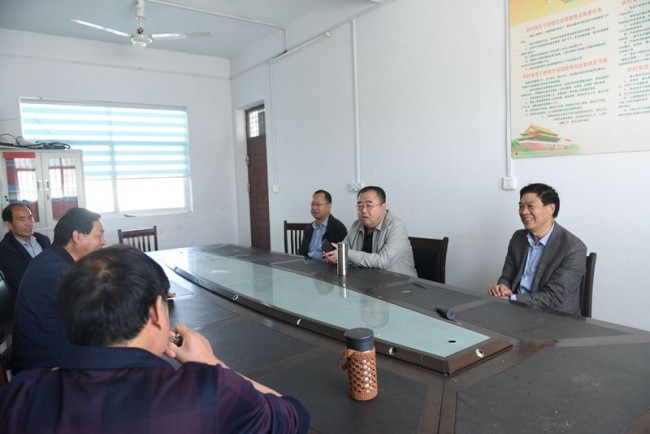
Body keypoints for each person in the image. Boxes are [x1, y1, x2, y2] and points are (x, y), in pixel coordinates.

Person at [0, 246, 311, 434]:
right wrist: (212, 364)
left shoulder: (19, 397)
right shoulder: (210, 393)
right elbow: (294, 416)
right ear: (155, 312)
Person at [11, 207, 106, 372]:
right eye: (99, 235)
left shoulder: (50, 258)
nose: (103, 241)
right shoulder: (59, 273)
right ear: (77, 237)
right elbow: (99, 321)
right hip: (48, 368)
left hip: (45, 354)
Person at [487, 183, 587, 315]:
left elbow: (553, 297)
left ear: (550, 209)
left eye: (531, 206)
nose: (524, 212)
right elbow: (507, 277)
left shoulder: (573, 247)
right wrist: (502, 288)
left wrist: (512, 298)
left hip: (554, 317)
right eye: (521, 206)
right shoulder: (518, 238)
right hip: (516, 311)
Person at [323, 186, 416, 276]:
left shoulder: (396, 227)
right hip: (365, 280)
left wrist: (345, 253)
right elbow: (346, 252)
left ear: (383, 207)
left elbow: (383, 262)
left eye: (369, 205)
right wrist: (336, 257)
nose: (363, 210)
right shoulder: (356, 225)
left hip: (398, 282)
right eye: (360, 205)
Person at [0, 204, 51, 301]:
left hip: (52, 292)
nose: (29, 223)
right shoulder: (5, 250)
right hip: (30, 300)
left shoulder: (43, 240)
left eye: (30, 218)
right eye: (22, 219)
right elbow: (24, 282)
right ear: (9, 224)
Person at [298, 190, 347, 260]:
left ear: (329, 206)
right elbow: (302, 251)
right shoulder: (309, 228)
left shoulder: (338, 228)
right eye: (312, 204)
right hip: (307, 263)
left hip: (326, 264)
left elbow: (340, 256)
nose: (314, 208)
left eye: (318, 204)